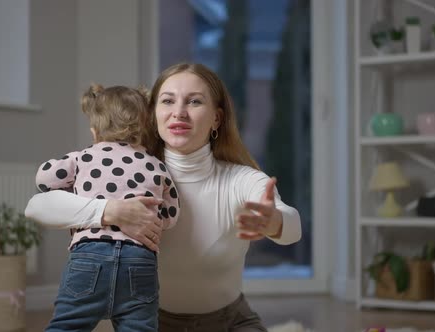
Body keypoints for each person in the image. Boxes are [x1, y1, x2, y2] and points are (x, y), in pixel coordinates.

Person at [26, 63, 302, 331]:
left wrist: (273, 221)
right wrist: (109, 211)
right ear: (152, 114)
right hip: (153, 322)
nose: (179, 112)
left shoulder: (241, 180)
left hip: (230, 322)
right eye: (168, 101)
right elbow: (37, 205)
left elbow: (293, 227)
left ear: (216, 118)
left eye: (194, 102)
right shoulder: (128, 173)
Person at [34, 84, 180, 331]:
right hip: (139, 260)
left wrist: (77, 189)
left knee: (66, 326)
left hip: (89, 256)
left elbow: (44, 179)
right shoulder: (157, 166)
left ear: (94, 131)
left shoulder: (83, 157)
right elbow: (170, 215)